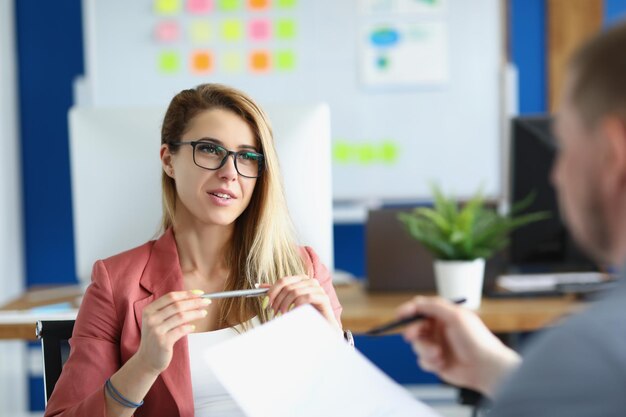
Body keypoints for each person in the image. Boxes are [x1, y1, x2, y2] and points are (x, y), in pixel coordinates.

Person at [45, 84, 343, 417]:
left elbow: (348, 404)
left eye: (247, 156)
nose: (230, 172)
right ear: (168, 160)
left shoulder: (304, 269)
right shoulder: (116, 284)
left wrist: (333, 345)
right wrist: (144, 366)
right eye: (210, 150)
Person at [397, 20, 626, 416]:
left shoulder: (591, 353)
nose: (556, 175)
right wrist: (496, 370)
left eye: (565, 145)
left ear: (612, 154)